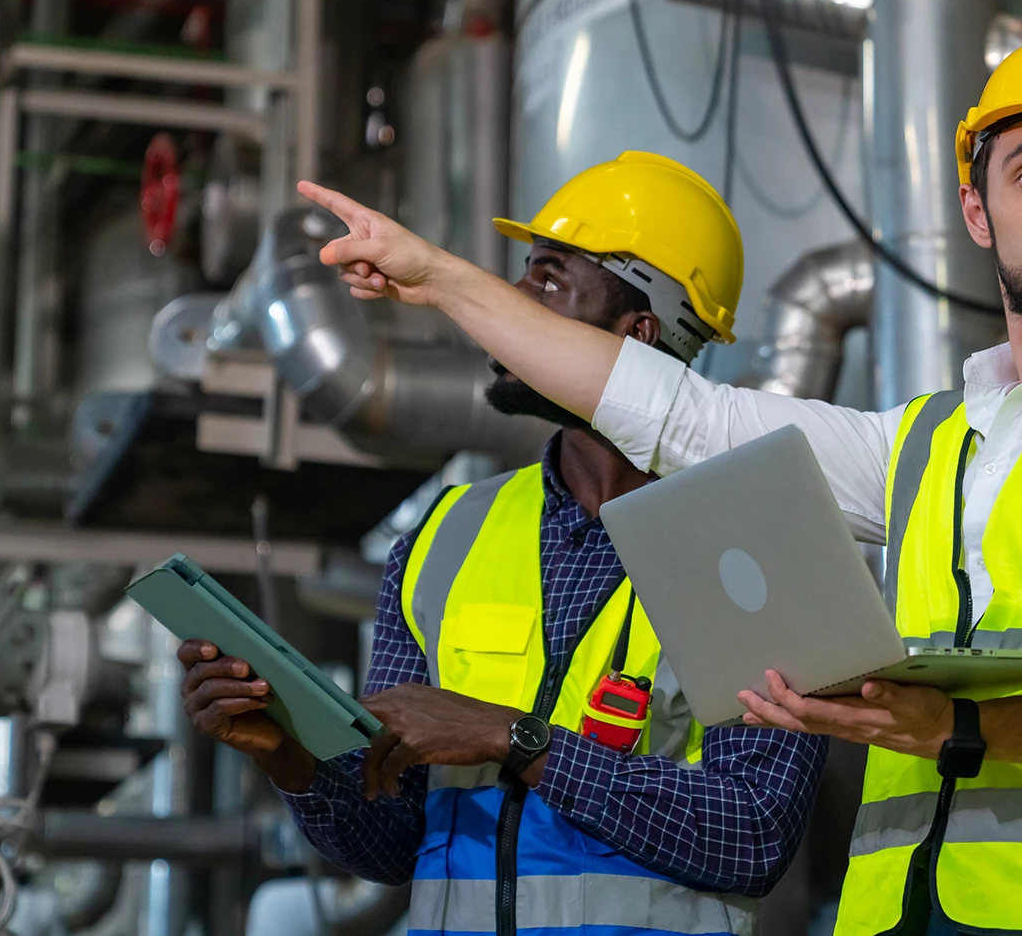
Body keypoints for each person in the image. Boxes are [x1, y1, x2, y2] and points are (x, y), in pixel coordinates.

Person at [302, 27, 1022, 936]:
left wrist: (966, 726)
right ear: (977, 207)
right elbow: (682, 413)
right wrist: (437, 277)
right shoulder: (921, 444)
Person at [178, 151, 827, 936]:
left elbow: (750, 833)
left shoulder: (755, 539)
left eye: (549, 279)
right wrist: (286, 755)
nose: (510, 301)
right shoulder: (444, 536)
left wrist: (510, 737)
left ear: (638, 330)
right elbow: (392, 842)